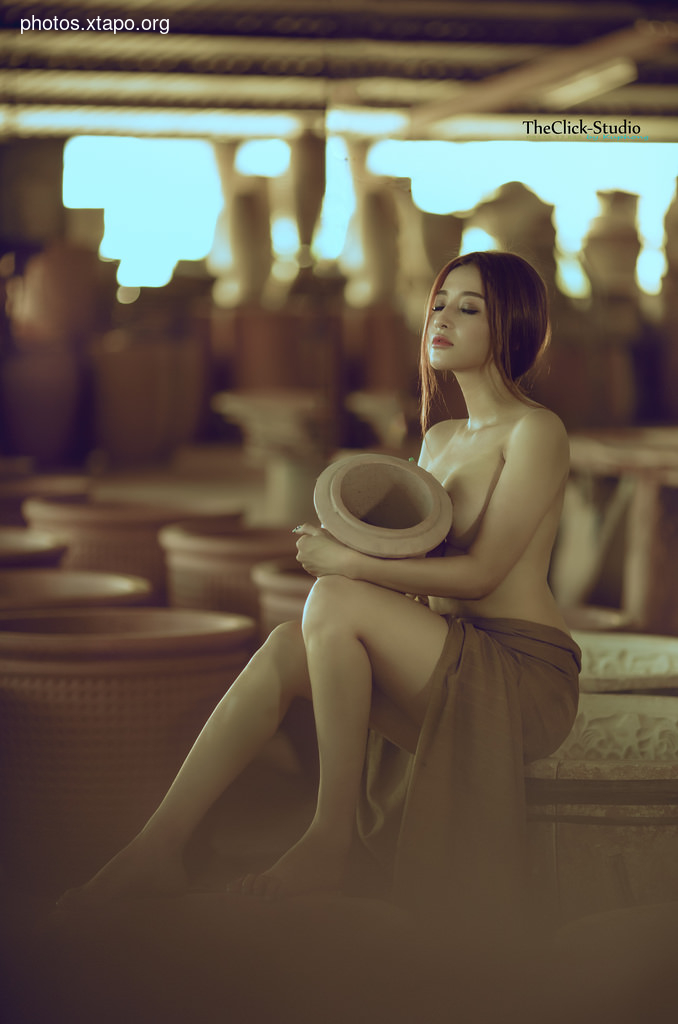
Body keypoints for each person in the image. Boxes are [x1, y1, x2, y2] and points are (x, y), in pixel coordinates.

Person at [60, 251, 580, 927]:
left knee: (333, 597)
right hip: (452, 656)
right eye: (441, 301)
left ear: (511, 327)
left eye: (470, 308)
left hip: (518, 678)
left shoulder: (537, 431)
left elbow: (481, 574)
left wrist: (350, 569)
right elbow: (418, 568)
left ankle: (328, 840)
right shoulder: (441, 437)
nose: (443, 317)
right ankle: (155, 850)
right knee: (284, 647)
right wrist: (357, 541)